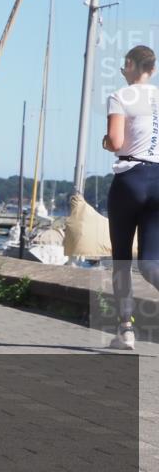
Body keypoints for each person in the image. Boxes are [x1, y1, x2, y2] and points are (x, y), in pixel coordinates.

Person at [103, 45, 159, 351]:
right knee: (151, 263)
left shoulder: (121, 96)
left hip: (130, 180)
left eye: (124, 67)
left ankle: (125, 330)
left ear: (131, 65)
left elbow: (115, 141)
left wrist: (105, 141)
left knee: (122, 259)